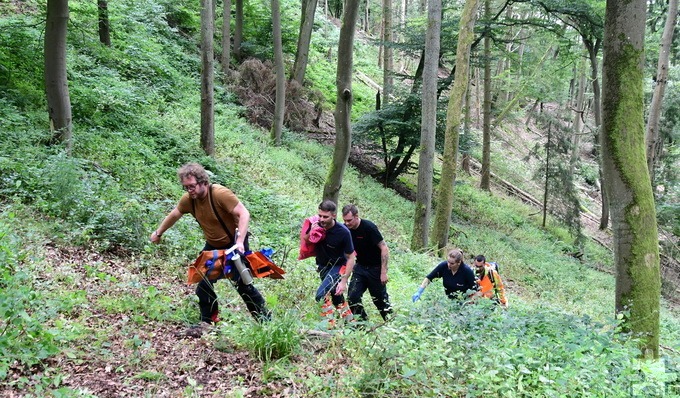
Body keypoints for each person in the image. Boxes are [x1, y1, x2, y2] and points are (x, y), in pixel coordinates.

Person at [150, 163, 269, 334]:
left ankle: (265, 321)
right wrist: (158, 232)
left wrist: (241, 241)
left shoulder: (220, 194)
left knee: (243, 285)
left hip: (234, 243)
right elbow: (175, 214)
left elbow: (244, 213)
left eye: (192, 186)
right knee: (203, 284)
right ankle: (207, 322)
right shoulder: (189, 200)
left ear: (203, 182)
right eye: (185, 187)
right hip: (212, 246)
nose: (189, 190)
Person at [303, 200, 356, 325]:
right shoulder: (316, 224)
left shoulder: (343, 232)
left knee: (320, 295)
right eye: (320, 215)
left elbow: (351, 257)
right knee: (336, 296)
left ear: (333, 215)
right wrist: (313, 231)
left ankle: (329, 325)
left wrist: (343, 281)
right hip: (322, 266)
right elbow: (306, 240)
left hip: (338, 266)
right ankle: (351, 324)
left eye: (325, 217)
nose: (322, 219)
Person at [342, 204, 392, 321]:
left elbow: (384, 248)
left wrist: (383, 272)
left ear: (356, 216)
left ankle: (391, 322)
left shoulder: (369, 227)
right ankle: (362, 324)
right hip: (360, 267)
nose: (347, 223)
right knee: (352, 297)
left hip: (375, 268)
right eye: (345, 220)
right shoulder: (346, 229)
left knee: (379, 300)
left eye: (349, 220)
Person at [412, 248, 477, 302]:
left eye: (452, 263)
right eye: (448, 262)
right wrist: (419, 291)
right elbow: (429, 278)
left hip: (463, 301)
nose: (449, 265)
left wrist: (469, 303)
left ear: (459, 263)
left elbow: (474, 290)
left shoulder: (467, 271)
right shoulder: (444, 266)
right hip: (448, 300)